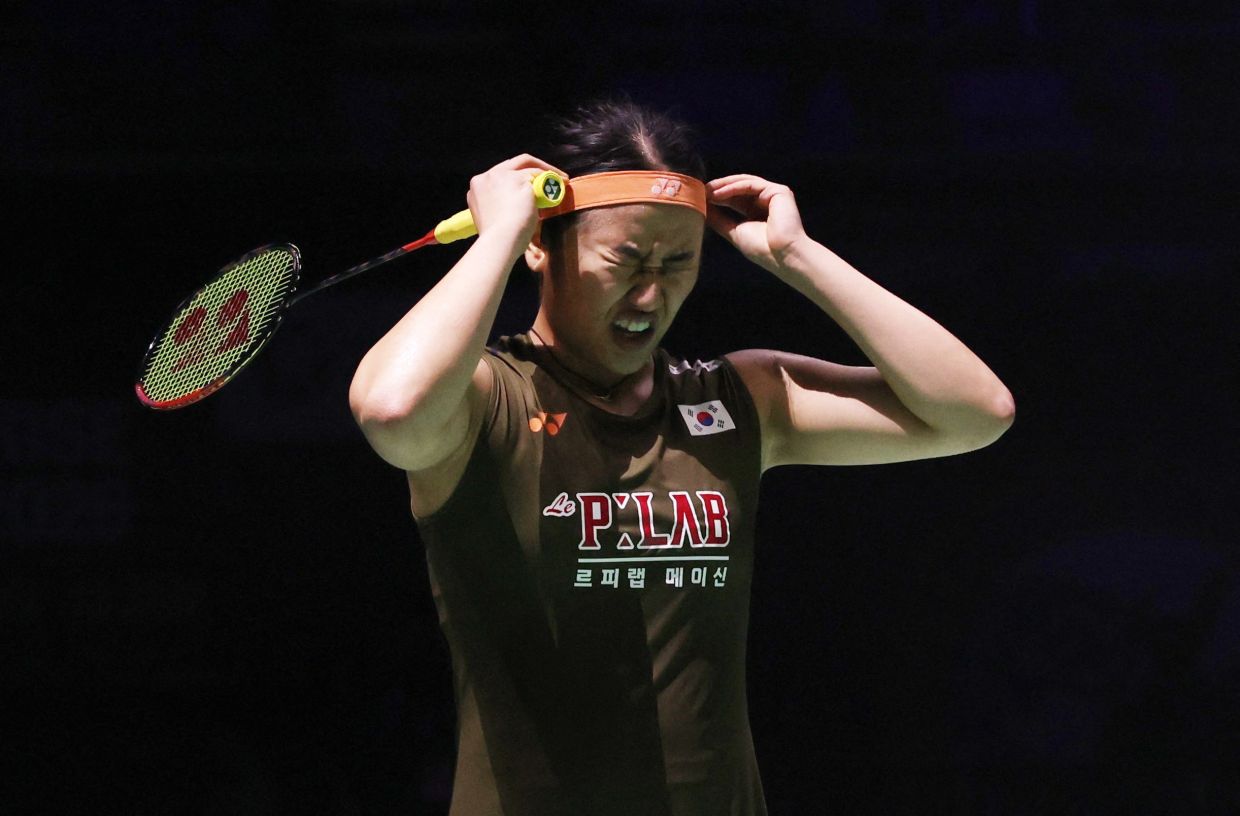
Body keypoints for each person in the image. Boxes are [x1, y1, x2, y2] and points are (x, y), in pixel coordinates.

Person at [349, 100, 1014, 816]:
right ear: (543, 246)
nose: (650, 293)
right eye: (626, 259)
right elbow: (392, 409)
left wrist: (800, 259)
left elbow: (976, 414)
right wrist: (498, 239)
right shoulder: (487, 400)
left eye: (677, 262)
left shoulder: (736, 400)